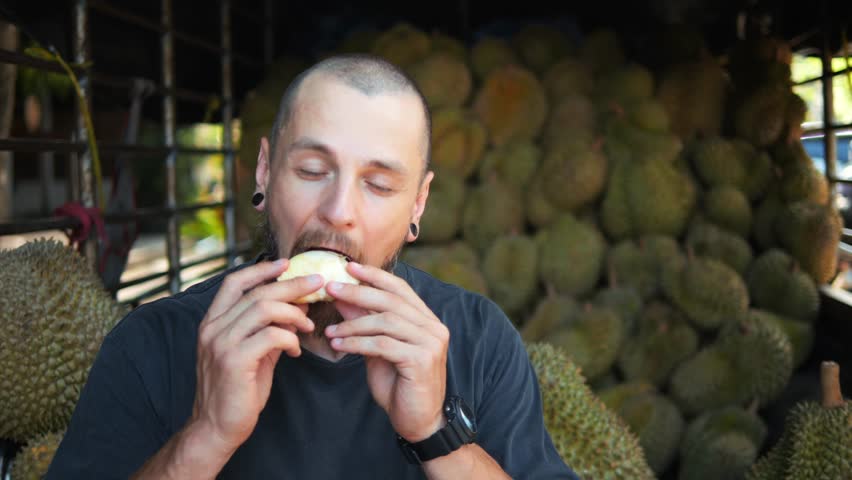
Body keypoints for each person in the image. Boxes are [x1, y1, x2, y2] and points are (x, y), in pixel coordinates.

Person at [45, 53, 578, 479]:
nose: (338, 212)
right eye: (312, 169)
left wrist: (436, 436)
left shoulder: (478, 339)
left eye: (379, 184)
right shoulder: (151, 345)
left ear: (418, 204)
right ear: (265, 170)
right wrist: (206, 435)